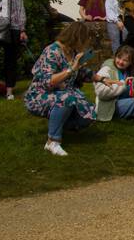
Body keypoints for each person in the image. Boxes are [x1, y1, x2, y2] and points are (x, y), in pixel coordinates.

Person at [26, 21, 99, 155]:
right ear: (77, 38)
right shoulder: (52, 51)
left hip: (64, 92)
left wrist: (102, 79)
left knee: (90, 113)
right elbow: (48, 81)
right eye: (85, 40)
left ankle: (58, 123)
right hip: (40, 95)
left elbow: (81, 73)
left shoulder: (73, 51)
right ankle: (52, 141)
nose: (86, 44)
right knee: (67, 99)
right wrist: (71, 69)